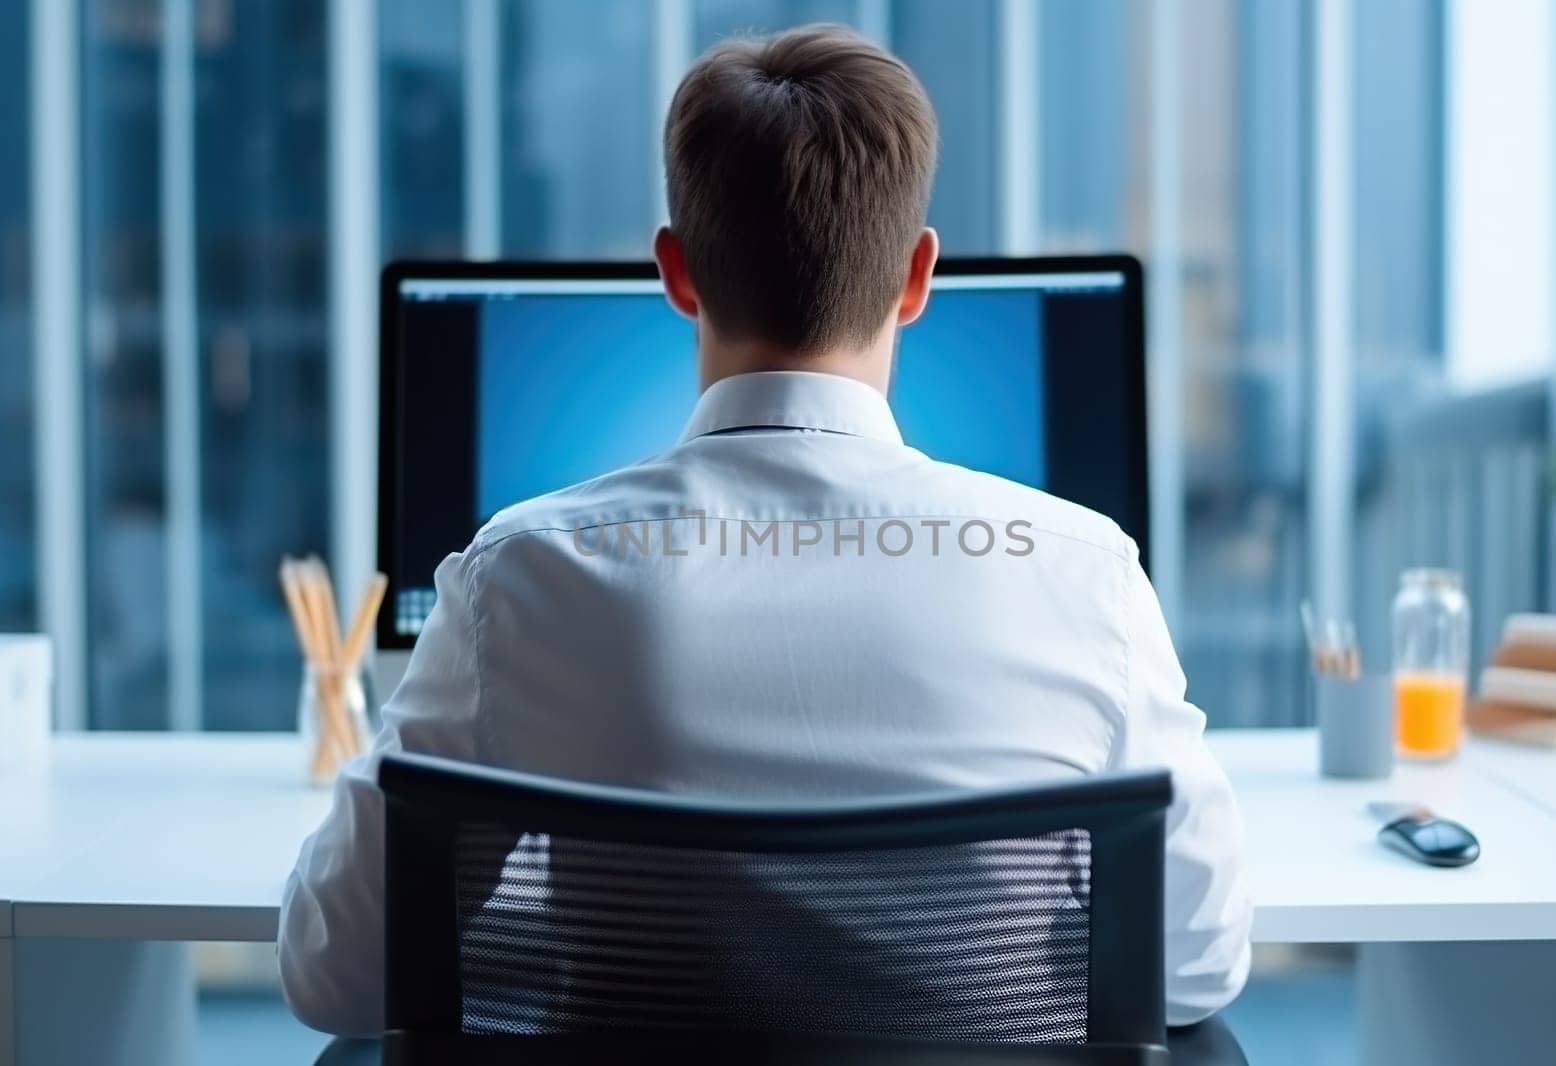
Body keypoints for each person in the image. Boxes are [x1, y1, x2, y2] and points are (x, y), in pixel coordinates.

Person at [279, 23, 1250, 1037]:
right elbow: (1199, 958)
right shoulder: (1083, 574)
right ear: (917, 277)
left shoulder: (515, 579)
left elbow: (335, 977)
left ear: (676, 271)